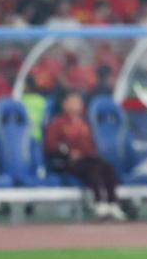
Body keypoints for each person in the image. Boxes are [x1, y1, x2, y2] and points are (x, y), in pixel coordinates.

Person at [44, 91, 126, 220]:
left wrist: (88, 153)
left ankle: (113, 203)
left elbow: (90, 146)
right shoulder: (57, 123)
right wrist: (68, 152)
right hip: (67, 162)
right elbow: (50, 144)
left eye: (78, 102)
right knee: (94, 168)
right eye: (73, 102)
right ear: (64, 104)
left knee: (107, 167)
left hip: (86, 159)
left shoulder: (84, 124)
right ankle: (99, 204)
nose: (77, 105)